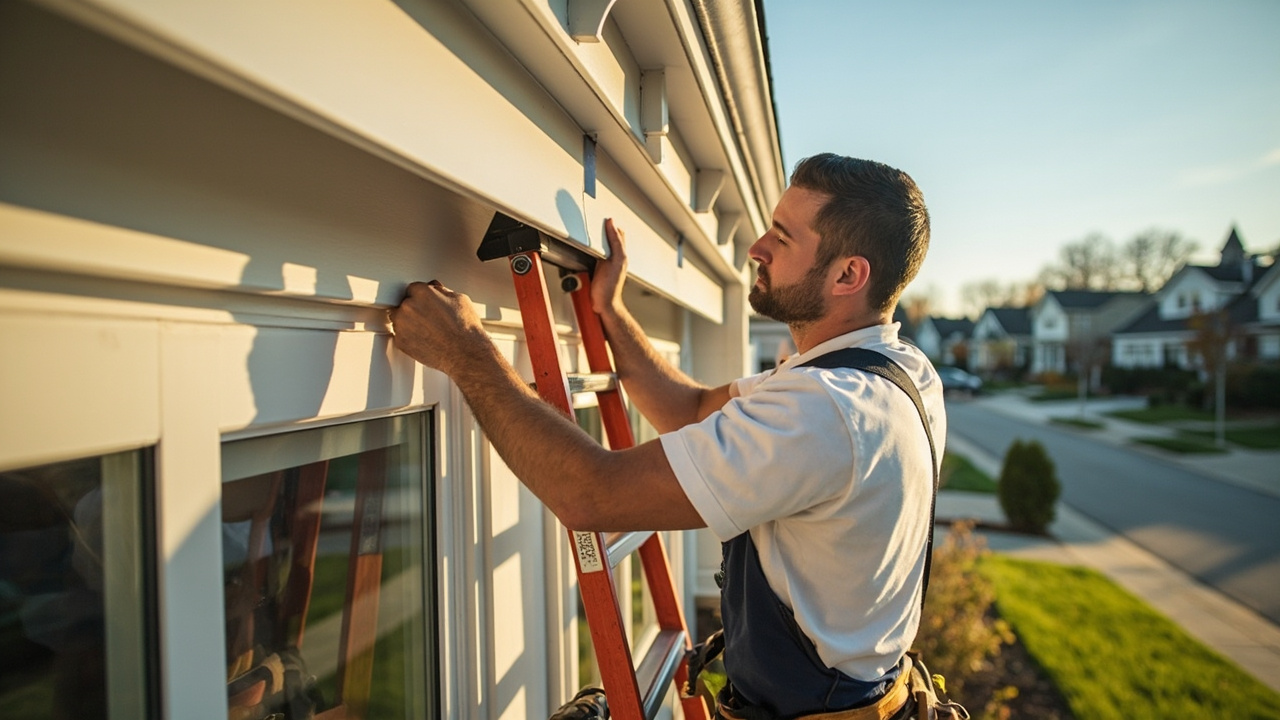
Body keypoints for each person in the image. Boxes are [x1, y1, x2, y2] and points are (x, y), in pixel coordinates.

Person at [390, 153, 944, 719]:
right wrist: (609, 310)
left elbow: (592, 495)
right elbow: (695, 409)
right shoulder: (893, 371)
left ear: (848, 275)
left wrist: (465, 353)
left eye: (782, 236)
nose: (757, 246)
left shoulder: (825, 410)